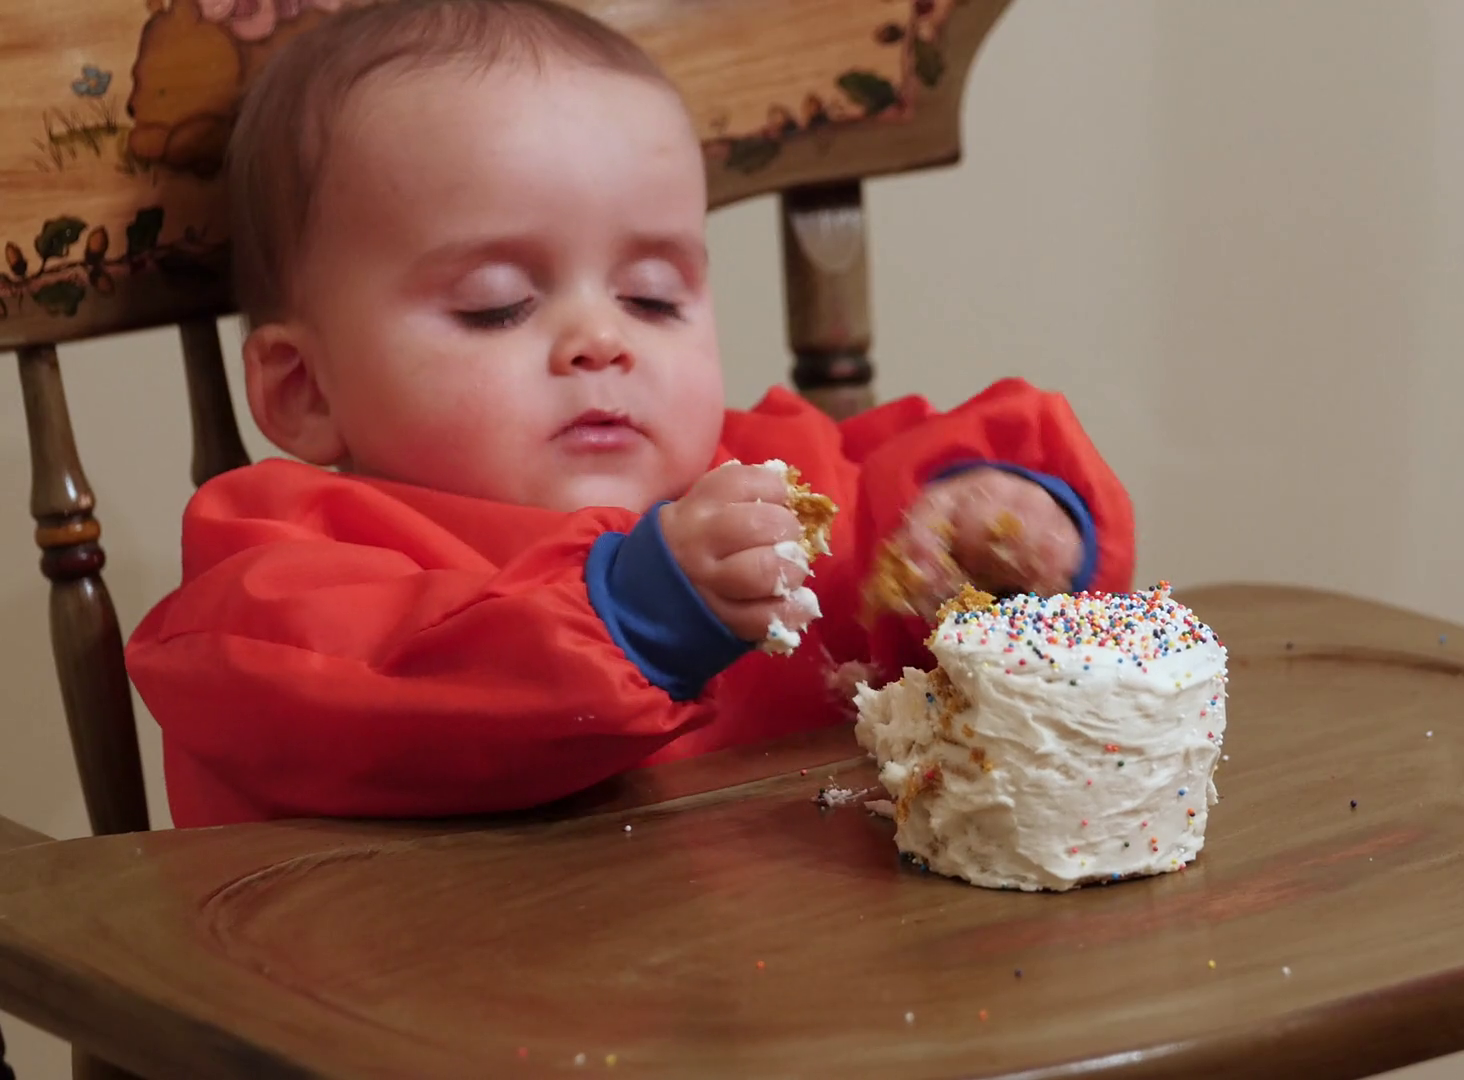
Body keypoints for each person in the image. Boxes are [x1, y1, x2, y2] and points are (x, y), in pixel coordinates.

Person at [125, 0, 1134, 828]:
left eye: (652, 295)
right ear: (304, 389)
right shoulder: (275, 580)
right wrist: (633, 613)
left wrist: (996, 524)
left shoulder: (778, 488)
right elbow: (378, 692)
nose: (601, 341)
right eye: (498, 305)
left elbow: (903, 533)